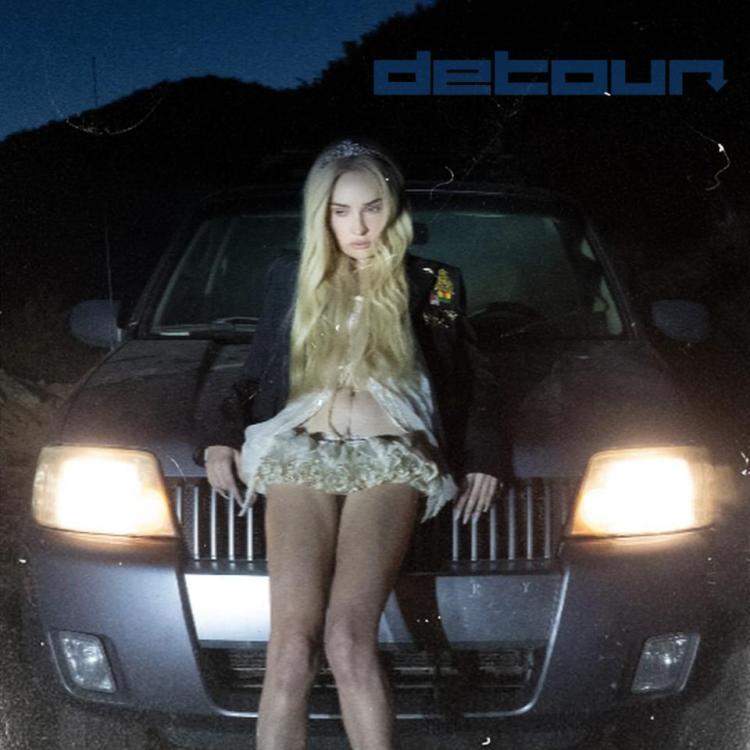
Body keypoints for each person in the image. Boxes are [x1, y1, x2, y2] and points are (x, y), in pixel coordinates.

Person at [197, 137, 507, 750]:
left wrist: (485, 456)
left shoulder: (436, 281)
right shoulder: (290, 276)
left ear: (394, 208)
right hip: (299, 451)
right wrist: (218, 438)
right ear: (322, 215)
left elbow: (467, 373)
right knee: (290, 647)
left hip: (390, 458)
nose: (358, 226)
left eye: (371, 208)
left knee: (346, 639)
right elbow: (255, 371)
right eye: (341, 211)